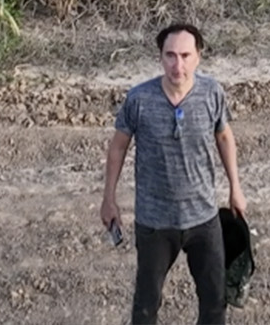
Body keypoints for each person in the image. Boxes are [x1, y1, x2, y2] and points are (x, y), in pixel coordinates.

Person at [99, 22, 247, 324]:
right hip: (154, 221)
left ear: (198, 57)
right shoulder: (139, 99)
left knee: (214, 302)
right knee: (146, 305)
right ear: (160, 57)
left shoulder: (212, 93)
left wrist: (236, 187)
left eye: (185, 55)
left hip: (203, 217)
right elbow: (118, 147)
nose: (177, 65)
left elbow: (224, 137)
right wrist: (108, 199)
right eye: (170, 55)